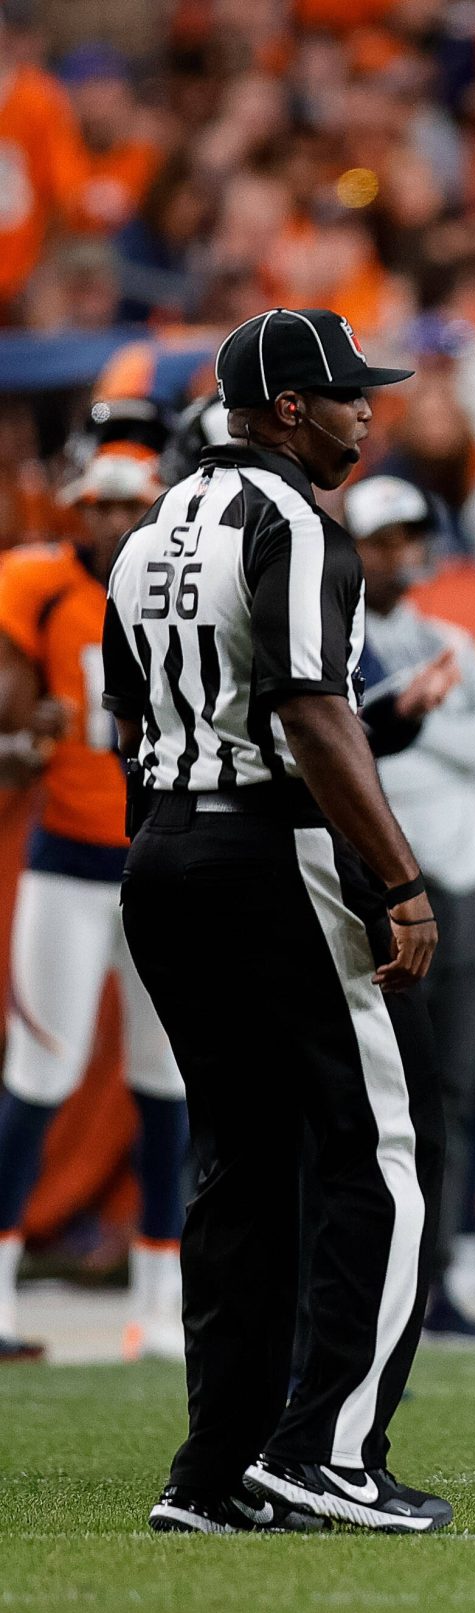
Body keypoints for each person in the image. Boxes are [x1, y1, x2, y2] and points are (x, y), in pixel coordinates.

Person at [110, 308, 452, 1533]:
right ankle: (328, 1453)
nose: (370, 411)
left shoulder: (149, 531)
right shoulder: (298, 525)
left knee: (241, 1166)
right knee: (385, 1155)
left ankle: (215, 1474)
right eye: (350, 393)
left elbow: (128, 730)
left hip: (161, 853)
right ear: (291, 406)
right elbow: (313, 710)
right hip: (267, 849)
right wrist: (397, 880)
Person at [0, 446, 189, 1364]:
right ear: (77, 508)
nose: (116, 523)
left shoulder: (185, 586)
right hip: (70, 864)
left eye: (131, 506)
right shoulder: (38, 586)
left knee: (168, 1087)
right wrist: (18, 738)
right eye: (101, 507)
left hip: (160, 865)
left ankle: (159, 1306)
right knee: (41, 1073)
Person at [345, 475, 475, 1338]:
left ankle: (438, 1278)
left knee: (457, 1092)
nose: (400, 554)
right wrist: (403, 724)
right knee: (388, 1097)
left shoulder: (446, 639)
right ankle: (381, 1282)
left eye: (410, 536)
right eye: (383, 538)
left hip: (467, 881)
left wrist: (418, 733)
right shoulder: (339, 645)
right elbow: (351, 759)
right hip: (386, 888)